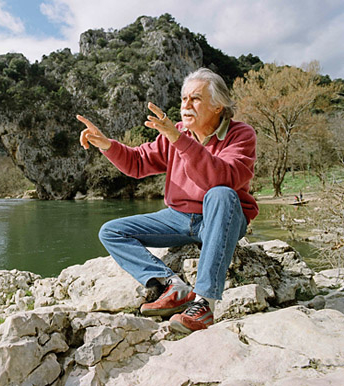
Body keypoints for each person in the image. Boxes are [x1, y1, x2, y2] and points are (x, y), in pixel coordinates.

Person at [77, 67, 258, 333]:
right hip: (177, 218)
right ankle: (171, 285)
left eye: (195, 99)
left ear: (218, 106)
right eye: (184, 98)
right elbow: (138, 163)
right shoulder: (175, 133)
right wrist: (106, 144)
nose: (186, 105)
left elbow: (224, 179)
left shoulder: (240, 135)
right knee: (112, 231)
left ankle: (204, 304)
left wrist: (178, 139)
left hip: (220, 217)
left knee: (221, 194)